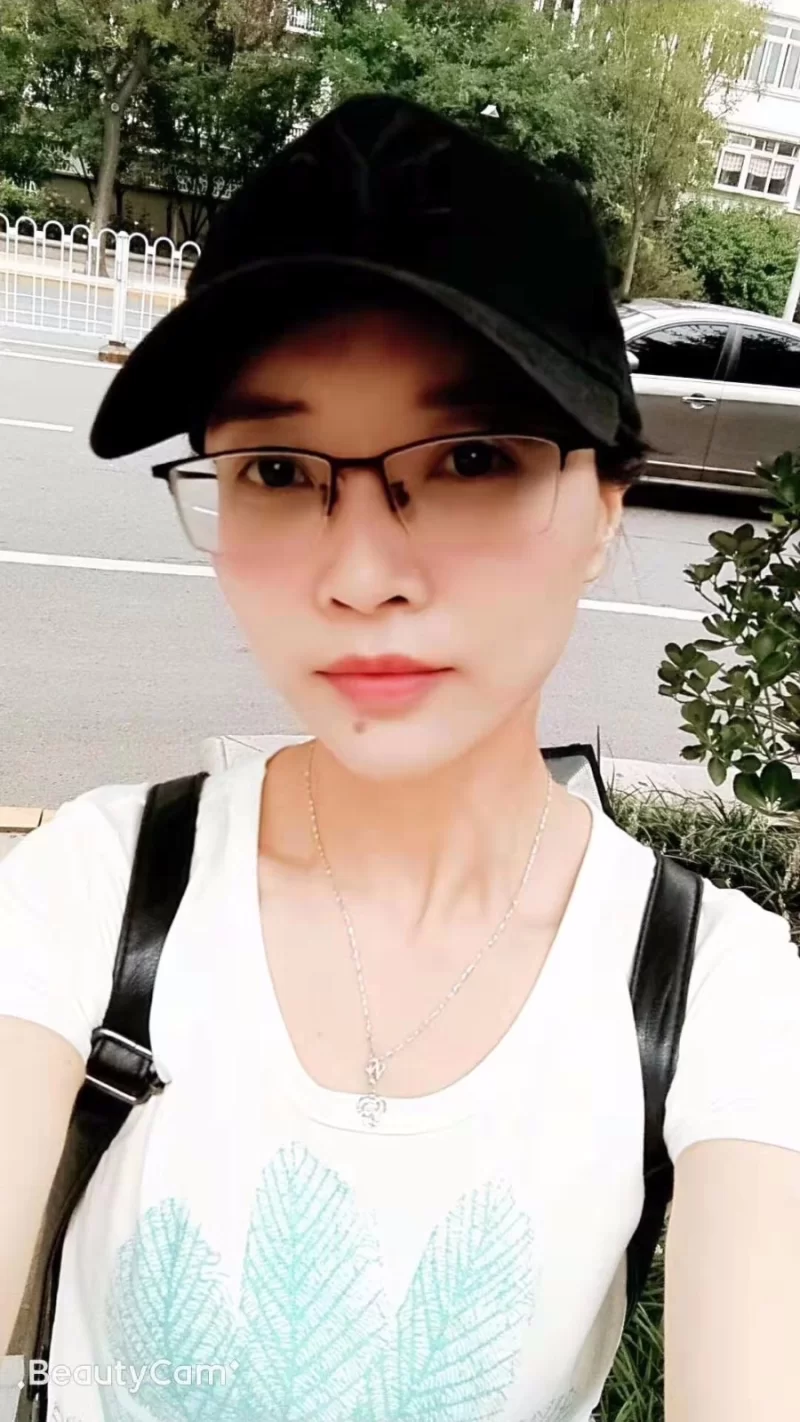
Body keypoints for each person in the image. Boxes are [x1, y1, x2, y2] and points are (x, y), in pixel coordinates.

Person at [1, 94, 799, 1422]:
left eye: (472, 457)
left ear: (607, 502)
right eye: (275, 469)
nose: (362, 573)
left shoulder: (713, 994)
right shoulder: (92, 893)